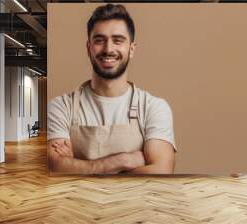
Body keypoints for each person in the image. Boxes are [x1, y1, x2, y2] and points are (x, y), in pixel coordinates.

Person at [47, 4, 177, 175]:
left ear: (131, 49)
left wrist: (77, 167)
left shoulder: (154, 107)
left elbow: (161, 172)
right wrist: (123, 161)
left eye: (118, 40)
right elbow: (55, 168)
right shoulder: (60, 107)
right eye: (99, 40)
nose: (108, 49)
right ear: (88, 48)